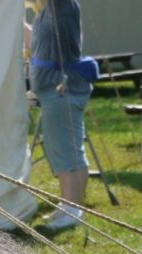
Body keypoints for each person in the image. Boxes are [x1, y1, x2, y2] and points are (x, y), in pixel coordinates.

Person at [25, 0, 98, 232]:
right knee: (61, 151)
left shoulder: (61, 5)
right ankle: (67, 204)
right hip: (53, 91)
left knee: (68, 153)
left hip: (62, 88)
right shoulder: (45, 12)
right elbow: (34, 44)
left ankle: (72, 210)